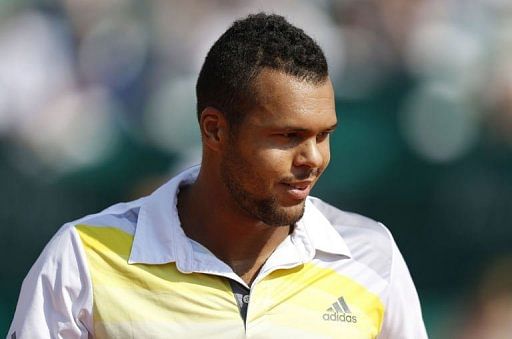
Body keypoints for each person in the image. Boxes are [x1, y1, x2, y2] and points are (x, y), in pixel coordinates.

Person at [9, 13, 427, 338]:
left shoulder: (373, 255)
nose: (313, 158)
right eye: (288, 136)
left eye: (324, 135)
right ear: (214, 130)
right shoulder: (82, 259)